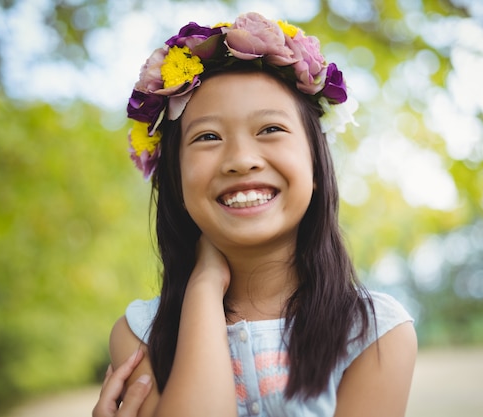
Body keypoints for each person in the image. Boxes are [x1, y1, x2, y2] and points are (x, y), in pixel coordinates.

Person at [93, 11, 417, 417]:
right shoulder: (141, 332)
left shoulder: (374, 333)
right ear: (175, 181)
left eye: (270, 130)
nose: (242, 160)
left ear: (316, 167)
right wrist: (204, 288)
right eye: (208, 137)